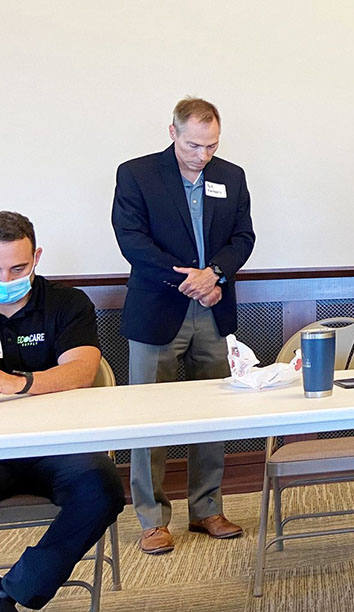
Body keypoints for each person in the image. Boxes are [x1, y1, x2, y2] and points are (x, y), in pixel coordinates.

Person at [0, 211, 125, 612]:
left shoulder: (67, 303)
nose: (6, 276)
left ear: (36, 257)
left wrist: (16, 383)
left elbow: (83, 369)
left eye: (18, 267)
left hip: (56, 448)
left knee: (103, 486)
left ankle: (21, 586)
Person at [112, 97, 255, 554]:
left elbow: (243, 237)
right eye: (194, 145)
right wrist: (190, 281)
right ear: (172, 132)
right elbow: (132, 240)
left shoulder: (231, 176)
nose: (203, 155)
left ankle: (207, 508)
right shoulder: (136, 174)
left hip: (213, 307)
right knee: (150, 417)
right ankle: (152, 518)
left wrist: (215, 274)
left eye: (211, 145)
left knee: (211, 414)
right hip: (159, 309)